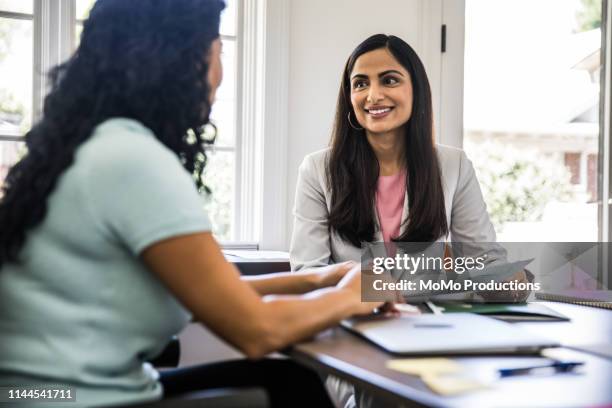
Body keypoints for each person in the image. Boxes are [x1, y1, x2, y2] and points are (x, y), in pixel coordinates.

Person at [0, 1, 386, 407]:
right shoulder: (133, 161)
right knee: (290, 388)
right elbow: (259, 332)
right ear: (183, 61)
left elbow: (205, 292)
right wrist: (359, 291)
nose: (220, 77)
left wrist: (318, 281)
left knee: (287, 380)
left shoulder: (89, 147)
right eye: (218, 51)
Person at [289, 34, 529, 408]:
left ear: (416, 90)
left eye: (389, 79)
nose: (373, 95)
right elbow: (308, 272)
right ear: (348, 98)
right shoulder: (318, 170)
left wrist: (505, 278)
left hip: (434, 339)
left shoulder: (453, 166)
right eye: (360, 83)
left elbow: (488, 263)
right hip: (357, 341)